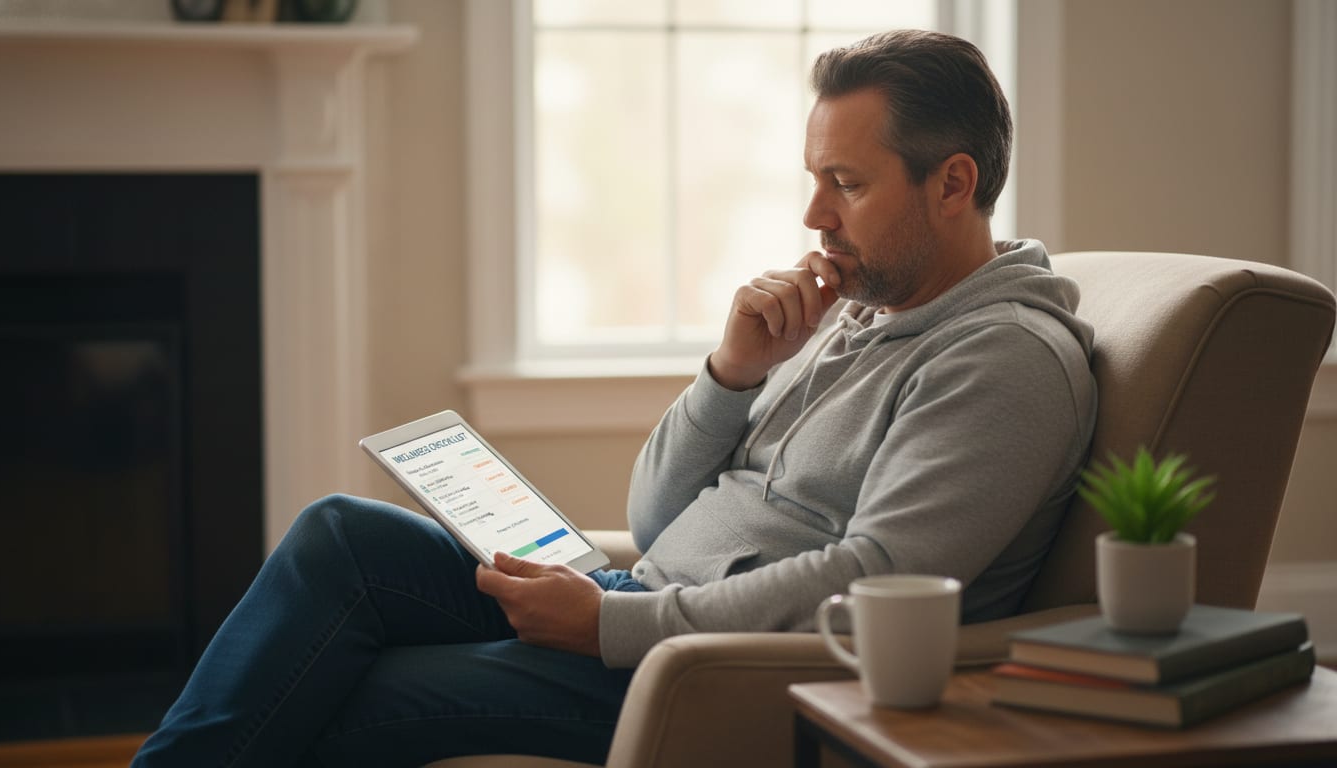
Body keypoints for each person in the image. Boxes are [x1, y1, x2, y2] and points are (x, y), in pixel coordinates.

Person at [132, 29, 1096, 768]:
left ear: (954, 184)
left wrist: (611, 627)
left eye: (846, 183)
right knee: (342, 532)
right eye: (814, 180)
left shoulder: (1001, 362)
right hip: (640, 615)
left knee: (344, 686)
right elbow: (653, 514)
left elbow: (882, 581)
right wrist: (731, 376)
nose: (814, 216)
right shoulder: (858, 311)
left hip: (708, 676)